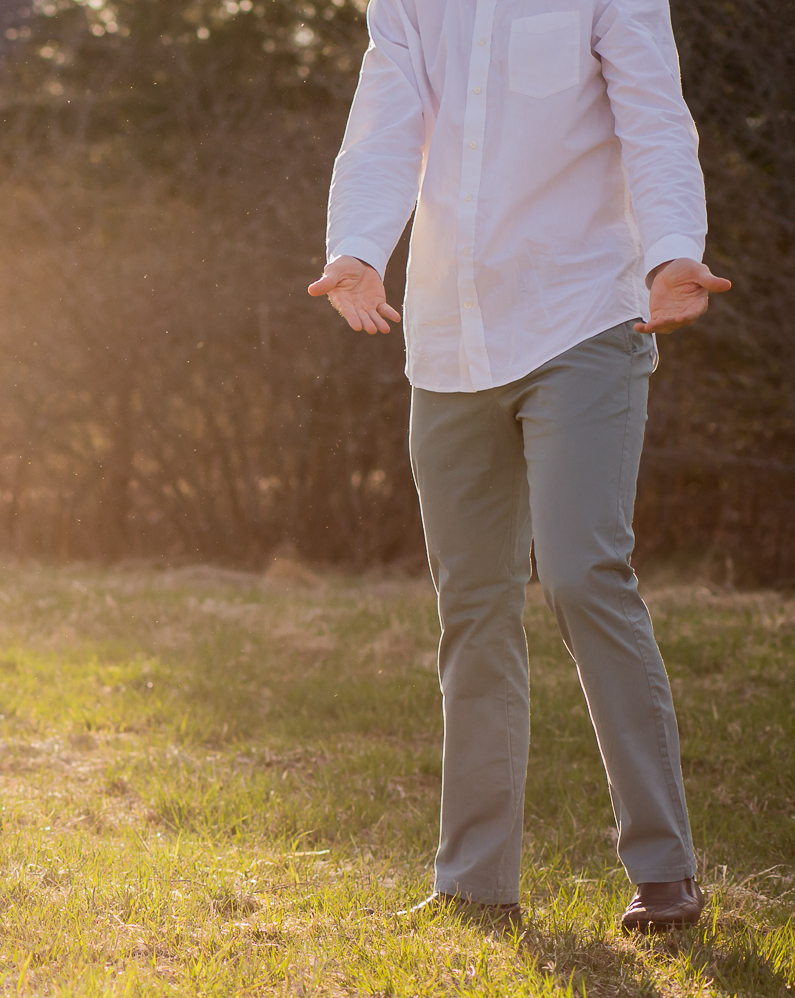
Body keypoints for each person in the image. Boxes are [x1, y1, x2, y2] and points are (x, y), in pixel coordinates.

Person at [308, 0, 726, 930]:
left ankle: (665, 871)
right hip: (452, 336)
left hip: (583, 314)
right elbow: (384, 121)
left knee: (583, 573)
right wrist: (357, 249)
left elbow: (655, 116)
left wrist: (672, 253)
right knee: (474, 604)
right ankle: (475, 881)